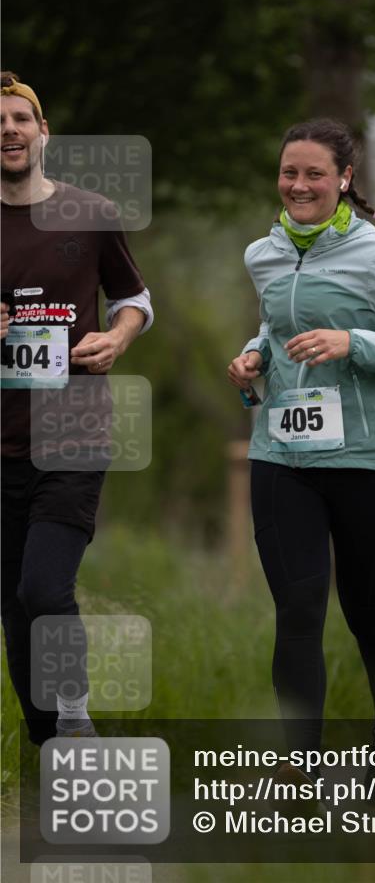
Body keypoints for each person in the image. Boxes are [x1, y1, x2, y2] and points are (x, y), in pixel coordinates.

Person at [227, 118, 375, 774]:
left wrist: (353, 342)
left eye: (314, 173)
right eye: (289, 172)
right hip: (281, 457)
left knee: (365, 610)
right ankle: (301, 766)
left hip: (368, 464)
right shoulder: (261, 254)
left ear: (344, 179)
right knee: (297, 608)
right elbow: (272, 327)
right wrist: (248, 359)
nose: (298, 185)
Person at [1, 71, 153, 743]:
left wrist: (118, 336)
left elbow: (135, 299)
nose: (7, 131)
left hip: (73, 433)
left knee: (44, 590)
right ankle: (47, 739)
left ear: (42, 134)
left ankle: (71, 716)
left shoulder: (89, 213)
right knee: (12, 603)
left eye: (18, 120)